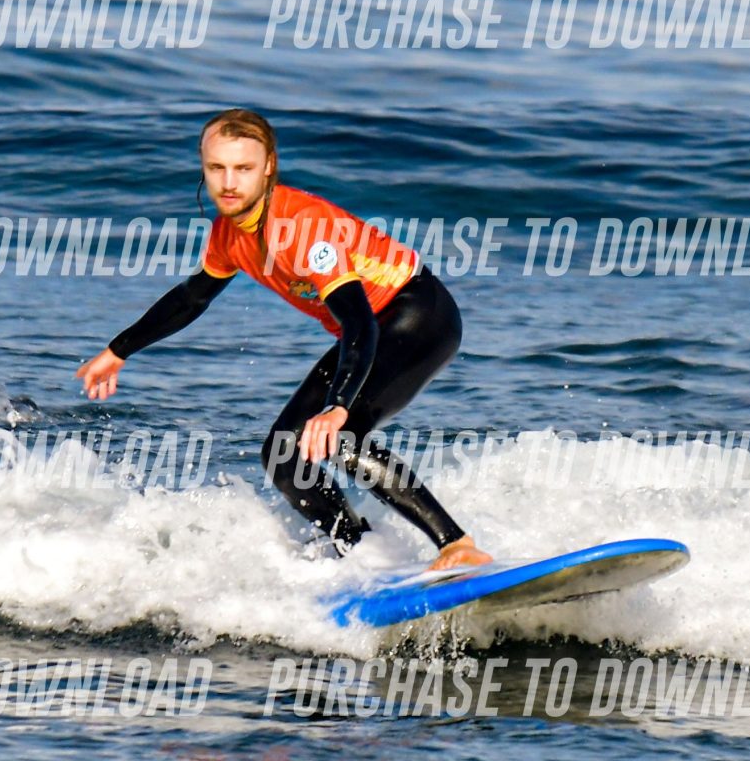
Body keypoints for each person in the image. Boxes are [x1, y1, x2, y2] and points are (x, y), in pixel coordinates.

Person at [76, 109, 490, 570]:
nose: (228, 183)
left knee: (342, 436)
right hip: (368, 331)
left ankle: (457, 545)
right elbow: (191, 298)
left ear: (269, 166)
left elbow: (359, 322)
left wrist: (337, 406)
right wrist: (118, 351)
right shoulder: (228, 234)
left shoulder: (304, 227)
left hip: (417, 315)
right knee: (282, 454)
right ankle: (363, 553)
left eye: (243, 168)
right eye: (217, 168)